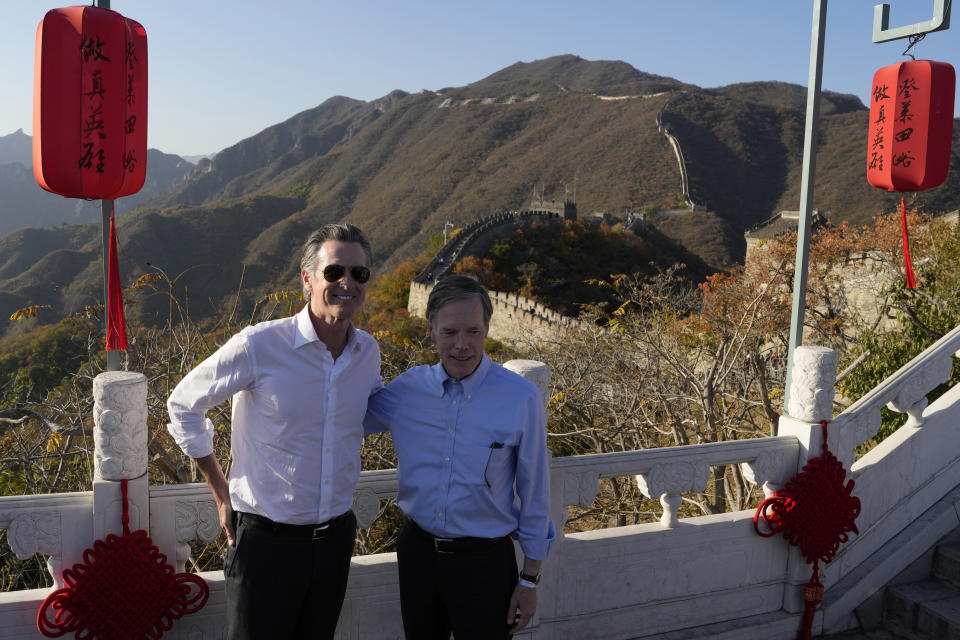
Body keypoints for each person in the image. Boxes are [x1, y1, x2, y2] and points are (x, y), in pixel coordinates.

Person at [166, 223, 381, 640]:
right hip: (266, 543)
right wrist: (219, 488)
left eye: (359, 274)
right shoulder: (260, 345)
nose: (347, 283)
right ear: (307, 279)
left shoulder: (366, 352)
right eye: (334, 272)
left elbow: (365, 412)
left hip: (335, 539)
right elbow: (182, 404)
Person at [366, 274, 556, 639]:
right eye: (450, 332)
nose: (462, 345)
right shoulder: (407, 391)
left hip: (485, 561)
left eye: (473, 331)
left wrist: (529, 581)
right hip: (418, 553)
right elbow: (344, 421)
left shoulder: (519, 397)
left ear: (487, 328)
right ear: (432, 330)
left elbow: (535, 493)